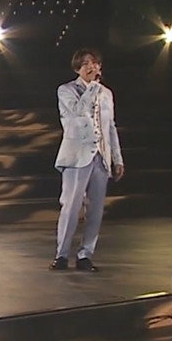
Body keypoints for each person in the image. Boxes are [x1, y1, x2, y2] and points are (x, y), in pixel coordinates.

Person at [52, 48, 123, 272]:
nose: (92, 67)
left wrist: (117, 158)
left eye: (95, 63)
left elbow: (110, 127)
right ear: (78, 68)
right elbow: (78, 112)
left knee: (96, 210)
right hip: (77, 157)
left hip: (101, 157)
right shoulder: (66, 90)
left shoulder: (106, 93)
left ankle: (85, 255)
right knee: (71, 207)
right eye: (86, 64)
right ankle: (62, 255)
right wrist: (91, 87)